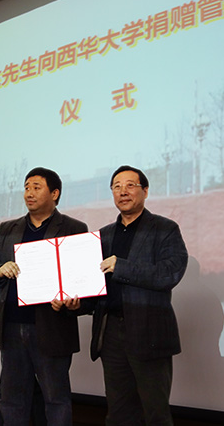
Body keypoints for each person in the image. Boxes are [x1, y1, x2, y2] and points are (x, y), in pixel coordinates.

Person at [0, 167, 87, 426]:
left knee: (56, 398)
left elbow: (81, 276)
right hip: (11, 325)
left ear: (55, 193)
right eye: (26, 187)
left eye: (36, 187)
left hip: (52, 327)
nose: (29, 193)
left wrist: (73, 299)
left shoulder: (74, 228)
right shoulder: (8, 228)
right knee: (12, 398)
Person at [90, 165, 188, 426]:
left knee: (155, 413)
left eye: (130, 185)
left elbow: (170, 273)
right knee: (118, 411)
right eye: (117, 186)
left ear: (145, 191)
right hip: (111, 332)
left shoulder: (165, 229)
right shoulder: (103, 235)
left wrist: (121, 266)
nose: (123, 191)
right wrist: (72, 302)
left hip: (149, 330)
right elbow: (93, 283)